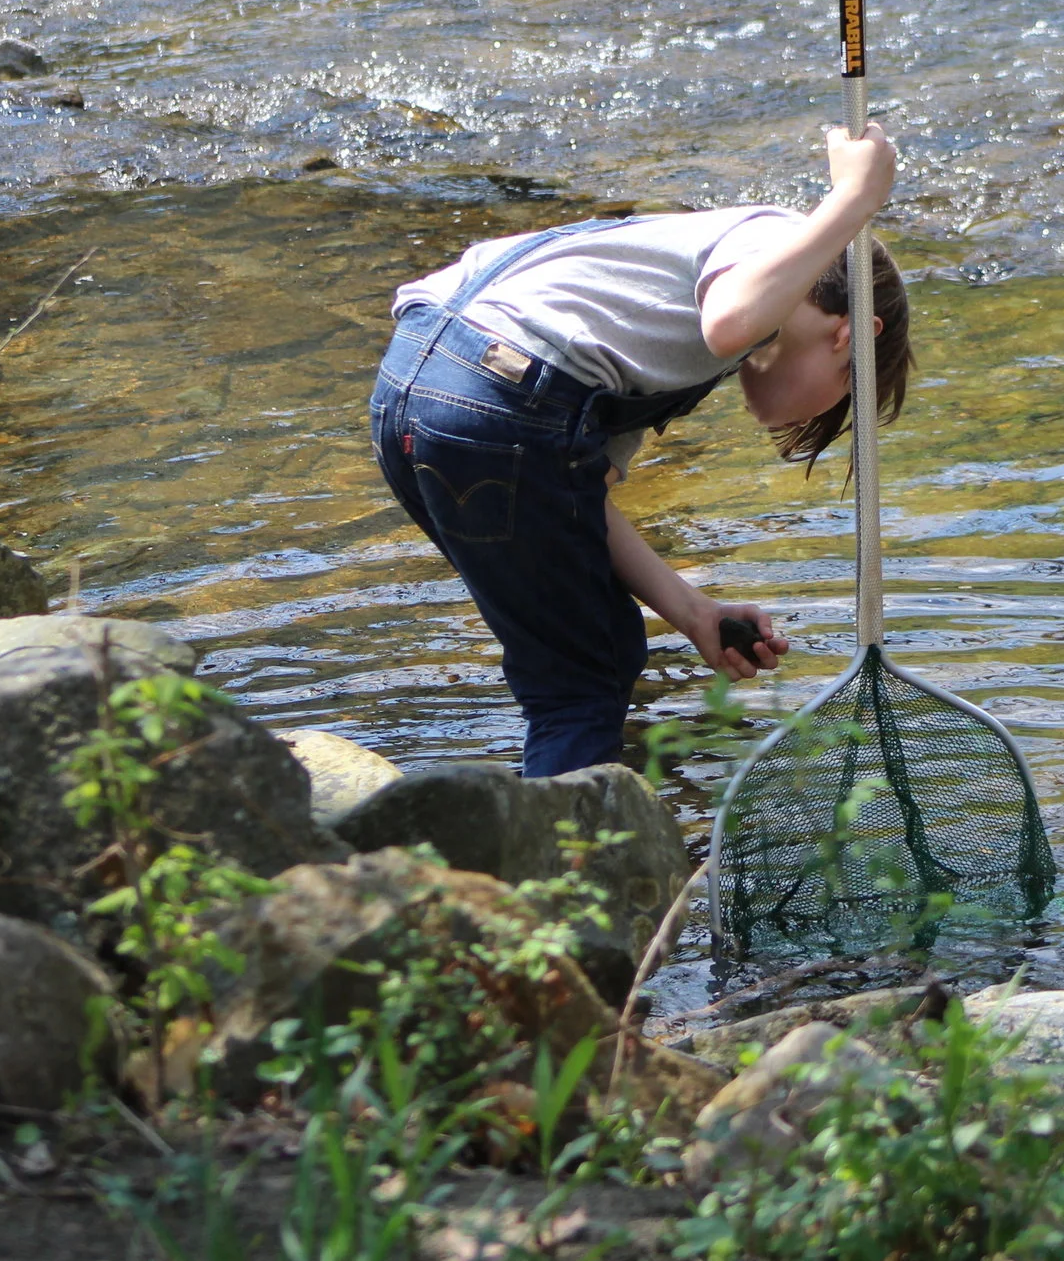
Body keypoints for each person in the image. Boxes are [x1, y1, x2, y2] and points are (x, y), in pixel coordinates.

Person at [372, 122, 909, 778]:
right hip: (500, 391)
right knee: (582, 680)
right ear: (850, 336)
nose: (808, 419)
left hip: (414, 388)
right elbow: (730, 320)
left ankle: (543, 837)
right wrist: (855, 197)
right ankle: (569, 872)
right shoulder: (766, 239)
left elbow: (579, 491)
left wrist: (693, 612)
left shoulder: (644, 326)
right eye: (839, 398)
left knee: (593, 646)